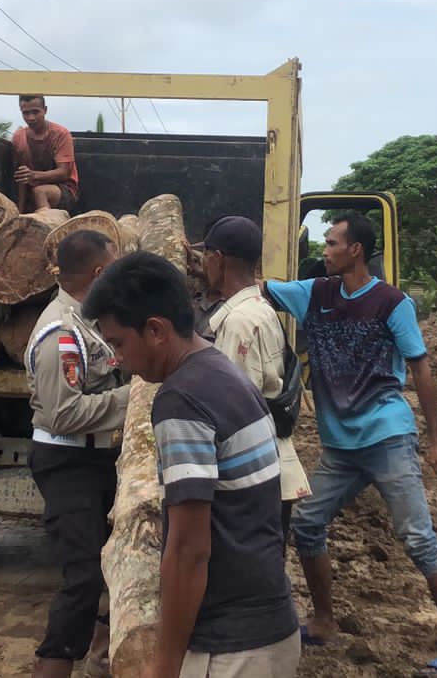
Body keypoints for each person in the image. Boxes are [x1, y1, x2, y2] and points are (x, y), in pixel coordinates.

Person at [262, 211, 437, 674]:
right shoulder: (314, 293)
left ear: (355, 249)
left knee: (418, 537)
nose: (326, 250)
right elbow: (258, 288)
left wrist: (436, 443)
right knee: (309, 524)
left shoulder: (393, 303)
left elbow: (421, 369)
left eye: (333, 243)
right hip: (340, 446)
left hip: (387, 436)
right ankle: (323, 621)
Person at [85, 252, 299, 678]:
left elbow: (189, 549)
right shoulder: (220, 369)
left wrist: (165, 665)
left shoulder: (182, 400)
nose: (117, 359)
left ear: (156, 330)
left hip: (229, 649)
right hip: (270, 622)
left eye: (119, 343)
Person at [26, 230, 128, 678]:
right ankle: (56, 662)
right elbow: (63, 415)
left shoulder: (88, 318)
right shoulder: (61, 333)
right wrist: (135, 395)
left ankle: (100, 655)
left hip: (96, 458)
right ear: (100, 272)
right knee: (82, 577)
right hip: (68, 463)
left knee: (111, 564)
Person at [197, 215, 311, 535]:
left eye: (206, 256)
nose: (203, 265)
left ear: (218, 259)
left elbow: (231, 409)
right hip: (271, 469)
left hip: (251, 481)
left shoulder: (238, 322)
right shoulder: (260, 310)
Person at [13, 94, 80, 213]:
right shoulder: (19, 137)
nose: (31, 118)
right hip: (31, 191)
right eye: (26, 113)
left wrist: (33, 175)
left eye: (35, 112)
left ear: (45, 110)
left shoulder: (61, 134)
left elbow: (64, 173)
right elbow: (21, 180)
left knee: (39, 192)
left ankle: (47, 227)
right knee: (34, 192)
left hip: (63, 190)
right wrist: (19, 213)